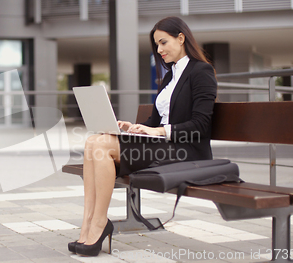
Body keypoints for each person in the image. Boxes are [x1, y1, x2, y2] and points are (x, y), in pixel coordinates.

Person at [69, 16, 218, 257]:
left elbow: (201, 124)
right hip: (165, 146)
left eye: (163, 43)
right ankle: (88, 222)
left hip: (186, 152)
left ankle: (98, 224)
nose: (159, 50)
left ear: (181, 38)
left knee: (101, 146)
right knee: (93, 141)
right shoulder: (171, 76)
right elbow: (157, 121)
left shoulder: (201, 71)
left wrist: (157, 131)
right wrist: (135, 127)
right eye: (156, 45)